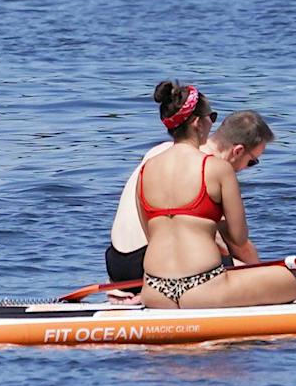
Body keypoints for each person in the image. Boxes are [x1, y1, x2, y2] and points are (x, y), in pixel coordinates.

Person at [136, 80, 296, 309]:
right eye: (212, 117)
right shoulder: (217, 168)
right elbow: (239, 237)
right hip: (202, 288)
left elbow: (151, 234)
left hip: (154, 291)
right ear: (197, 123)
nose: (213, 124)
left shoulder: (146, 169)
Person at [106, 105, 275, 283]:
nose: (247, 169)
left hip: (117, 262)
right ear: (238, 151)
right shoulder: (210, 168)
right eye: (252, 162)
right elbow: (236, 243)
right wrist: (258, 270)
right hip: (151, 265)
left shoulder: (163, 150)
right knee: (266, 277)